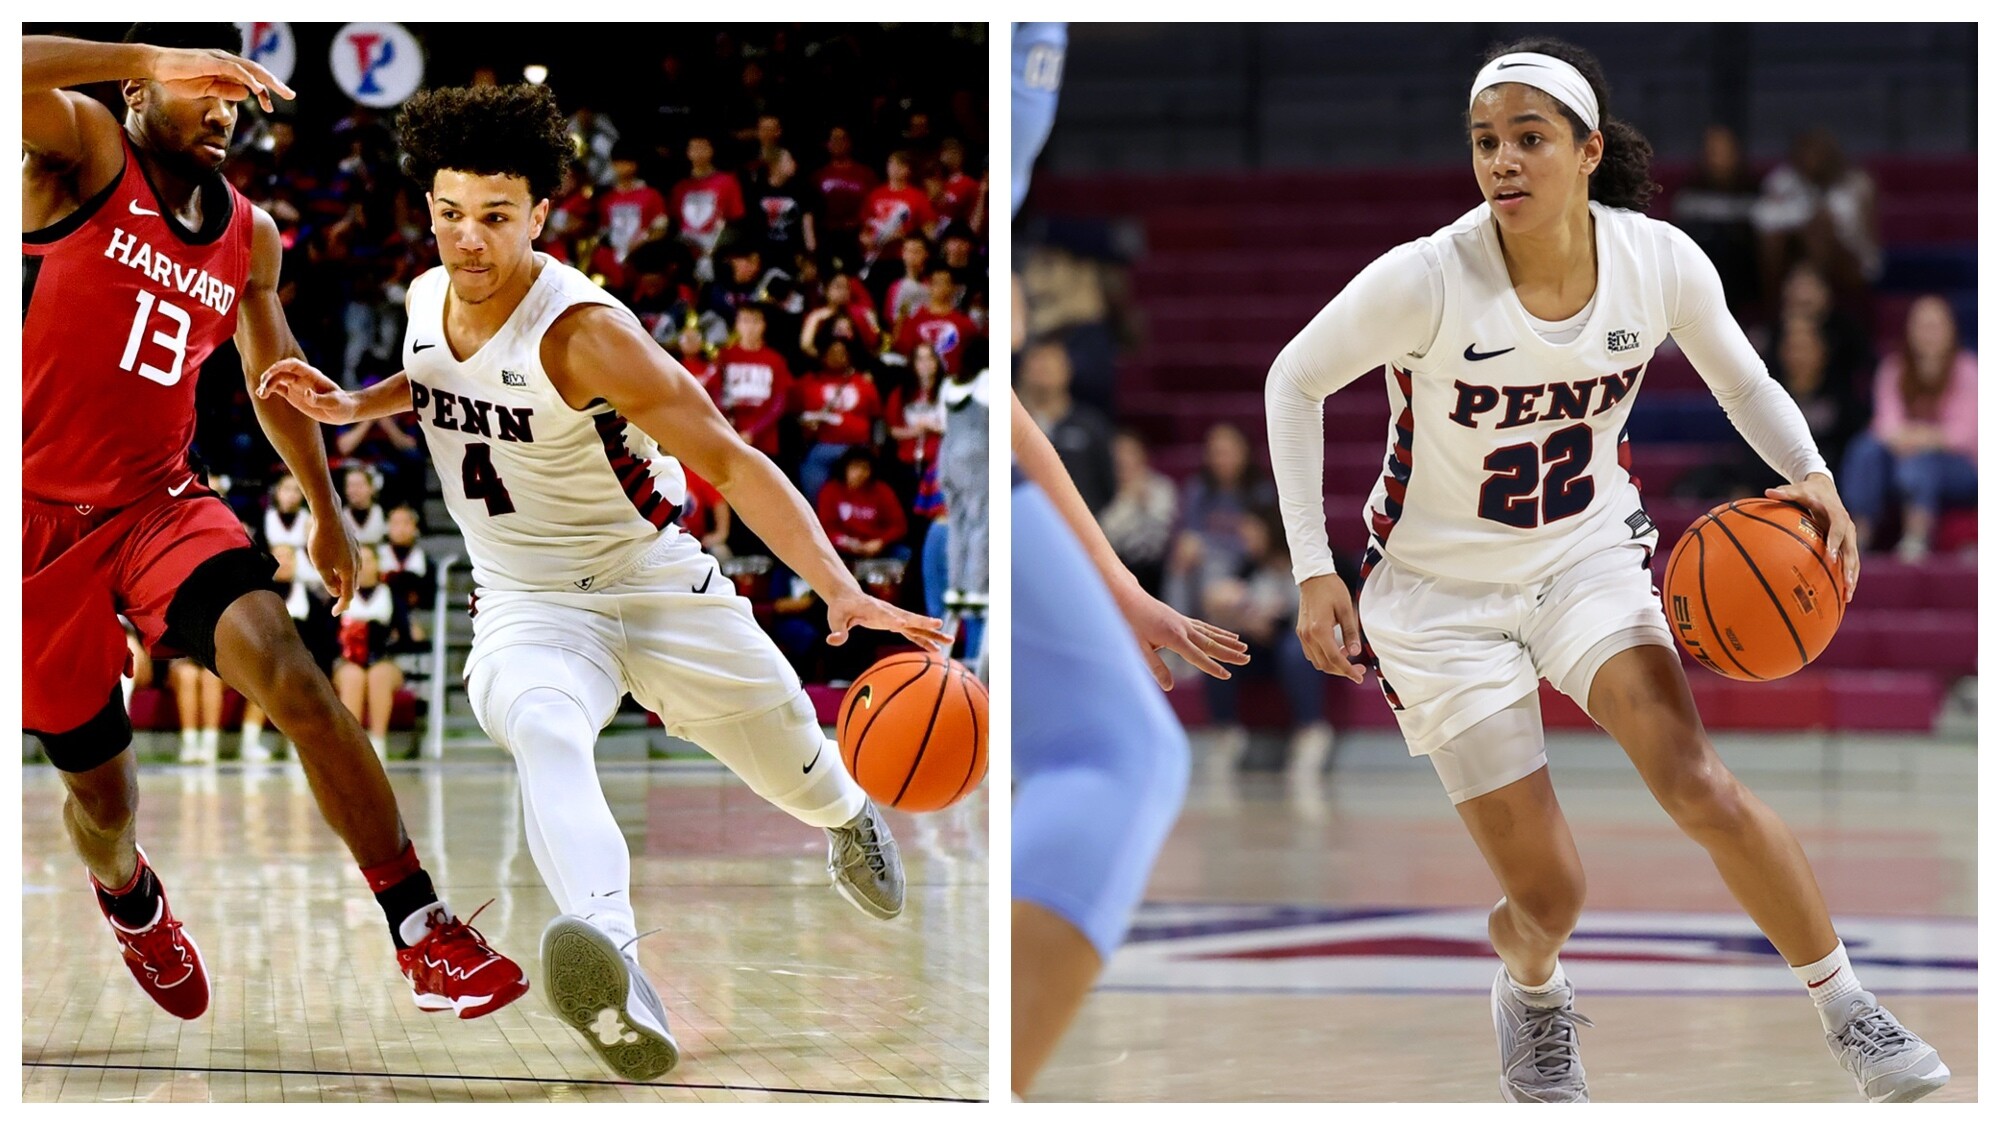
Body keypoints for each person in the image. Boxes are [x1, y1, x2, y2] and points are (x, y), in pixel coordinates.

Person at [1263, 39, 1947, 1103]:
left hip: (1585, 556)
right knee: (1552, 897)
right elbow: (1290, 381)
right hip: (1437, 603)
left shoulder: (1657, 261)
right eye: (1484, 141)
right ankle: (1530, 991)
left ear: (1586, 152)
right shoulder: (1428, 278)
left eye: (1528, 139)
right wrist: (1313, 570)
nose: (1501, 161)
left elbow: (1744, 380)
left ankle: (1845, 1006)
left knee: (1697, 783)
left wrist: (1811, 474)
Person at [257, 82, 952, 1082]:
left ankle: (846, 816)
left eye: (496, 218)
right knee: (543, 733)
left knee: (795, 769)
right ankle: (615, 971)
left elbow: (732, 460)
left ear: (539, 215)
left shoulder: (585, 333)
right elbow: (442, 374)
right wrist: (353, 403)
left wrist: (837, 588)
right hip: (525, 603)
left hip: (656, 586)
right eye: (450, 216)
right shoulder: (421, 297)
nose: (469, 241)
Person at [22, 26, 524, 1024]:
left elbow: (275, 378)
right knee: (106, 807)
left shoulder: (248, 233)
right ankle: (130, 898)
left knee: (292, 672)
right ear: (140, 90)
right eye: (200, 88)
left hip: (159, 504)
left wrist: (329, 514)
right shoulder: (80, 148)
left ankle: (422, 929)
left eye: (232, 98)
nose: (219, 110)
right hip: (29, 529)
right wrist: (141, 52)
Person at [1008, 21, 1252, 1101]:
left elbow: (999, 389)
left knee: (1112, 755)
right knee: (1118, 757)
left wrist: (1114, 584)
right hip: (959, 430)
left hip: (977, 431)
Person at [1839, 295, 1978, 559]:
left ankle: (1916, 537)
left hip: (1960, 467)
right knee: (1865, 449)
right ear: (1909, 331)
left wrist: (1922, 438)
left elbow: (1967, 433)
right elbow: (1884, 423)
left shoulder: (1968, 369)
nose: (1928, 333)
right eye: (1922, 325)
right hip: (1899, 458)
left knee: (1920, 461)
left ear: (1951, 330)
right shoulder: (1894, 368)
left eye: (1935, 325)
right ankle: (1860, 535)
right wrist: (1911, 438)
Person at [333, 551, 404, 759]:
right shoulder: (339, 593)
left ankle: (378, 743)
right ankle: (352, 745)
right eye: (358, 563)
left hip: (383, 658)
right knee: (353, 677)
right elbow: (328, 633)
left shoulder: (390, 594)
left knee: (378, 676)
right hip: (349, 660)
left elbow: (405, 634)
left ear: (377, 565)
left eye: (368, 561)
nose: (363, 567)